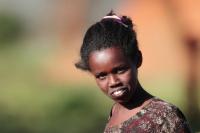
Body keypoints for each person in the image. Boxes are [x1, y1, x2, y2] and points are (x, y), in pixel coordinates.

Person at [75, 11, 192, 133]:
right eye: (102, 76)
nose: (113, 82)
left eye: (120, 70)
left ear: (137, 59)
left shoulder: (165, 117)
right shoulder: (115, 112)